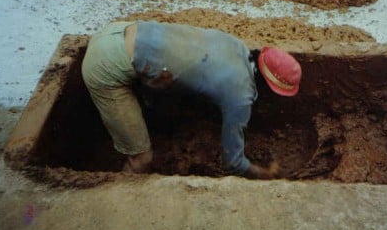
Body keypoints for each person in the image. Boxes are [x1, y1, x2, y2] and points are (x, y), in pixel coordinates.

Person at [81, 19, 302, 177]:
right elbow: (232, 163)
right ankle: (118, 205)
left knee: (163, 96)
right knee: (142, 159)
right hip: (105, 65)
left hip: (118, 29)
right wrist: (266, 174)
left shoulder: (237, 45)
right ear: (269, 86)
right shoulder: (240, 95)